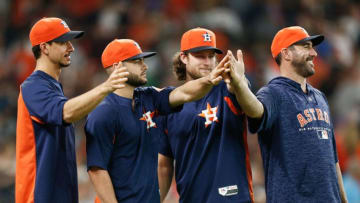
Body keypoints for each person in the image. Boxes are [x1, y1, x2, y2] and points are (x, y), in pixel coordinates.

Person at [85, 38, 227, 203]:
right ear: (118, 66)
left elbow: (185, 93)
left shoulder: (148, 97)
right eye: (137, 61)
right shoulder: (103, 112)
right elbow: (97, 170)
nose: (145, 66)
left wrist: (209, 79)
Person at [226, 26, 348, 202]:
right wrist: (239, 86)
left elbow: (333, 159)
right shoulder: (273, 93)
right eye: (306, 46)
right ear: (286, 54)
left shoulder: (320, 97)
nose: (314, 53)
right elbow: (256, 110)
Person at [16, 17, 129, 203]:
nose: (71, 47)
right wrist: (106, 87)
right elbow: (65, 113)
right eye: (63, 42)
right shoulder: (33, 85)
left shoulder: (53, 88)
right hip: (38, 197)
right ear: (44, 47)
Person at [157, 27, 254, 203]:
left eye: (211, 56)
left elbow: (251, 106)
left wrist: (240, 84)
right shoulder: (169, 102)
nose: (207, 62)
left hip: (233, 198)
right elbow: (164, 165)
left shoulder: (228, 87)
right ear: (184, 57)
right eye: (200, 56)